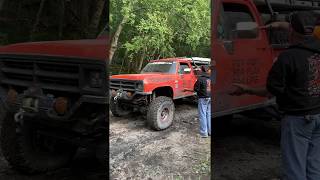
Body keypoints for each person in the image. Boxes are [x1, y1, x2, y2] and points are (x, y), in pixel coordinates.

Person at [231, 12, 320, 180]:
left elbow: (271, 91)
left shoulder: (287, 58)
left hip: (298, 119)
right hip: (317, 116)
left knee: (295, 171)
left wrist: (246, 89)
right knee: (314, 169)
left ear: (291, 30)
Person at [194, 65, 211, 138]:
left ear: (202, 71)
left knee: (202, 115)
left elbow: (195, 89)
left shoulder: (200, 79)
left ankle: (204, 133)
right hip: (210, 98)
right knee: (209, 114)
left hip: (203, 98)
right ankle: (210, 131)